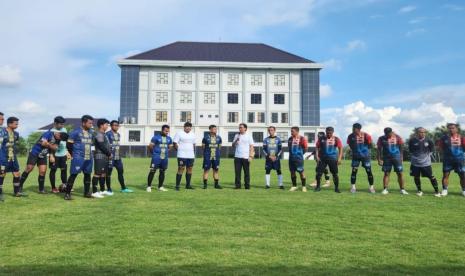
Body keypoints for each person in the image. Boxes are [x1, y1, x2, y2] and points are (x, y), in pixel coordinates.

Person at [19, 128, 66, 193]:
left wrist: (48, 145)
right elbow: (43, 143)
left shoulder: (58, 138)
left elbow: (55, 148)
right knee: (29, 168)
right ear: (58, 133)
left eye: (60, 139)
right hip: (34, 153)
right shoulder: (48, 133)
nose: (59, 140)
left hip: (43, 155)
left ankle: (41, 190)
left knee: (43, 171)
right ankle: (19, 186)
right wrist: (50, 145)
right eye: (59, 138)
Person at [64, 115, 94, 200]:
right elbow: (69, 144)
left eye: (92, 123)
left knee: (88, 174)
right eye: (89, 123)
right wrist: (72, 153)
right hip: (78, 157)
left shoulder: (91, 132)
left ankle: (87, 193)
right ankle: (67, 194)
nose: (91, 125)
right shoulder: (75, 132)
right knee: (74, 174)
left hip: (89, 157)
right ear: (83, 123)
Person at [408, 127, 440, 197]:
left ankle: (437, 192)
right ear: (417, 133)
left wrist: (426, 157)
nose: (422, 133)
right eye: (420, 132)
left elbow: (432, 150)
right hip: (415, 163)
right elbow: (410, 150)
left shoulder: (429, 140)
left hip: (426, 163)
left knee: (431, 177)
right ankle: (419, 191)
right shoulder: (412, 140)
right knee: (416, 177)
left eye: (424, 132)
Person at [377, 127, 408, 195]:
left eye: (388, 134)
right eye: (386, 134)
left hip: (397, 158)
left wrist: (401, 157)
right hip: (386, 158)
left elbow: (401, 147)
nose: (387, 135)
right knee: (386, 173)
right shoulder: (381, 138)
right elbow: (379, 149)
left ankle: (402, 189)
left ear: (391, 132)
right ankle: (385, 189)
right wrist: (379, 159)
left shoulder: (398, 137)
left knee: (400, 173)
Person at [437, 123, 465, 197]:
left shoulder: (462, 137)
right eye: (449, 128)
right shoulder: (443, 138)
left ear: (456, 129)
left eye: (453, 128)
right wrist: (445, 155)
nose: (451, 129)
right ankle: (445, 190)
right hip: (447, 160)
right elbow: (440, 148)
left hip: (459, 160)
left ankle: (464, 190)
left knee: (462, 175)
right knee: (445, 175)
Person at [346, 123, 375, 193]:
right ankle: (353, 187)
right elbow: (350, 144)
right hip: (356, 156)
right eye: (352, 128)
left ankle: (371, 187)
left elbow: (370, 144)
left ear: (358, 129)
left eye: (354, 128)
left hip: (365, 157)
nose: (352, 129)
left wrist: (365, 151)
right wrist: (355, 151)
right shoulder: (350, 136)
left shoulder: (366, 135)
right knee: (354, 171)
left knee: (369, 171)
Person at [106, 120, 133, 193]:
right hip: (110, 157)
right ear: (111, 126)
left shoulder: (118, 134)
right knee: (108, 173)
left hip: (118, 157)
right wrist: (108, 154)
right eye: (114, 125)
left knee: (121, 172)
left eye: (117, 125)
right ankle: (108, 189)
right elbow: (106, 146)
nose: (116, 127)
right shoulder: (107, 134)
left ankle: (123, 188)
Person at [315, 126, 343, 193]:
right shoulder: (321, 139)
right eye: (327, 133)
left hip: (333, 159)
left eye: (330, 133)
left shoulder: (336, 139)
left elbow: (340, 148)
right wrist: (317, 156)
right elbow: (317, 147)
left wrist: (339, 158)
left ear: (333, 132)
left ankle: (336, 188)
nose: (329, 134)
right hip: (322, 159)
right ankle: (318, 187)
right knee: (319, 173)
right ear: (325, 132)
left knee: (335, 174)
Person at [147, 125, 173, 192]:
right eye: (165, 131)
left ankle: (160, 187)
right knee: (152, 171)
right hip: (156, 158)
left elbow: (170, 147)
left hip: (164, 158)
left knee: (162, 172)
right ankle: (149, 186)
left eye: (168, 131)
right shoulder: (155, 137)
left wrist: (166, 152)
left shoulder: (169, 138)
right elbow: (150, 146)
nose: (167, 132)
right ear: (162, 130)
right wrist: (154, 153)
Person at [0, 117, 21, 200]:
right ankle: (0, 193)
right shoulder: (1, 131)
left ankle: (16, 192)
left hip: (13, 157)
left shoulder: (16, 134)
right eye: (16, 123)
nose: (17, 125)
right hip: (3, 156)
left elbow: (16, 143)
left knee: (17, 173)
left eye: (17, 123)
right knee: (2, 173)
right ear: (9, 124)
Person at [91, 119, 112, 198]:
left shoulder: (104, 134)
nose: (107, 126)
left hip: (105, 156)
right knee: (97, 173)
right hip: (99, 156)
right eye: (106, 125)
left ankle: (102, 190)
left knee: (103, 173)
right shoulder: (98, 133)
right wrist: (109, 153)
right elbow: (101, 145)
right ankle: (94, 191)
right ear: (101, 125)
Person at [48, 116, 69, 193]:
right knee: (53, 170)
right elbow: (50, 144)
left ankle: (65, 185)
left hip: (63, 154)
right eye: (60, 124)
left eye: (63, 124)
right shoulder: (51, 131)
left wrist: (67, 152)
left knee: (64, 170)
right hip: (54, 154)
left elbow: (65, 141)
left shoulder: (64, 129)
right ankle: (53, 188)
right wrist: (51, 155)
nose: (62, 126)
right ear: (55, 123)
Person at [173, 122, 197, 190]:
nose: (188, 128)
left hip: (191, 155)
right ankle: (177, 186)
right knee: (181, 168)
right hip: (182, 155)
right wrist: (179, 149)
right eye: (187, 126)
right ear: (184, 127)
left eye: (190, 126)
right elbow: (175, 142)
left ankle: (188, 185)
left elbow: (194, 144)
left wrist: (193, 152)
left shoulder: (193, 134)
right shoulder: (179, 133)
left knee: (190, 169)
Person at [233, 123, 254, 189]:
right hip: (237, 157)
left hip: (246, 157)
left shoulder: (249, 136)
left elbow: (251, 146)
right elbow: (233, 145)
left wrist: (250, 156)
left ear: (245, 128)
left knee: (246, 172)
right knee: (237, 172)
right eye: (239, 127)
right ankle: (238, 185)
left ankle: (247, 185)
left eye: (241, 127)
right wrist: (236, 141)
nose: (240, 129)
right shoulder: (236, 135)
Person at [202, 124, 222, 189]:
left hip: (216, 157)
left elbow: (219, 147)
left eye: (216, 129)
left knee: (216, 170)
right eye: (214, 129)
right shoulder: (205, 138)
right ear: (210, 129)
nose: (215, 130)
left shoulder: (219, 138)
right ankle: (205, 185)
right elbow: (203, 147)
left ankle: (216, 185)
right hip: (207, 157)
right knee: (206, 170)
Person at [288, 126, 308, 192]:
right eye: (291, 131)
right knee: (292, 172)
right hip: (291, 159)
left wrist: (300, 154)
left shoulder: (302, 139)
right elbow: (289, 148)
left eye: (292, 131)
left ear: (297, 131)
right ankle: (294, 186)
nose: (291, 132)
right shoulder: (290, 139)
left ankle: (304, 187)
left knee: (301, 172)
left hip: (299, 159)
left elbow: (305, 148)